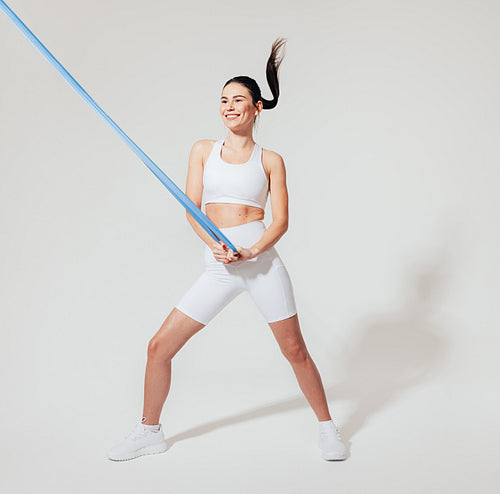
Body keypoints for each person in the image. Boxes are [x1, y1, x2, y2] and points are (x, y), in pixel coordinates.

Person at [107, 37, 347, 462]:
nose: (229, 107)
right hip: (217, 264)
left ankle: (328, 430)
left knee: (294, 350)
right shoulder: (203, 151)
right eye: (223, 100)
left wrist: (251, 251)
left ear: (257, 108)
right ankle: (149, 431)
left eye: (239, 100)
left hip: (260, 264)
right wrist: (216, 245)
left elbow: (280, 221)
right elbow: (191, 210)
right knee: (158, 347)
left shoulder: (270, 159)